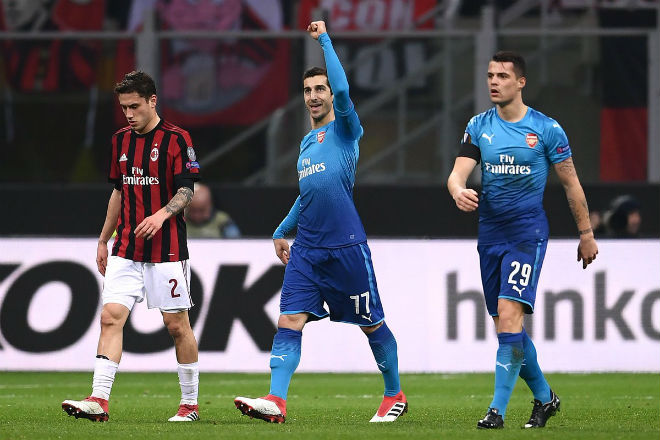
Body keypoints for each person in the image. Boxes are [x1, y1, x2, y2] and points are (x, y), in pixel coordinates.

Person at [233, 21, 407, 424]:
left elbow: (344, 92)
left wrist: (324, 40)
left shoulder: (345, 129)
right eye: (308, 90)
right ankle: (276, 400)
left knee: (371, 323)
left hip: (345, 244)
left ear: (331, 95)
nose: (313, 96)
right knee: (289, 320)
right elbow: (308, 193)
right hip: (307, 249)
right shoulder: (306, 144)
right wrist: (282, 230)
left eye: (320, 89)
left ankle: (394, 393)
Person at [447, 51, 599, 429]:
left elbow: (571, 184)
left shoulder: (546, 129)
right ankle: (546, 398)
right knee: (506, 326)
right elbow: (457, 174)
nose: (493, 82)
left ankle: (496, 411)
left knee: (510, 317)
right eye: (490, 75)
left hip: (526, 233)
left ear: (521, 82)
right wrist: (457, 190)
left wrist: (586, 234)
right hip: (490, 234)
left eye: (502, 76)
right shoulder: (479, 125)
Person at [62, 71, 202, 423]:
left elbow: (187, 189)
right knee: (110, 317)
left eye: (134, 106)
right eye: (124, 107)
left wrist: (161, 215)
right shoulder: (120, 141)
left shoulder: (177, 139)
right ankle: (98, 399)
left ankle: (190, 405)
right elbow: (118, 191)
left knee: (176, 326)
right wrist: (103, 239)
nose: (128, 113)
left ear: (153, 101)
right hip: (125, 247)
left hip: (167, 250)